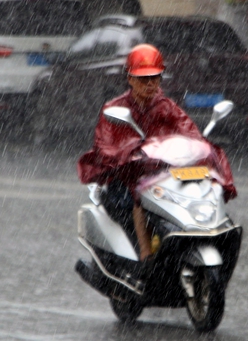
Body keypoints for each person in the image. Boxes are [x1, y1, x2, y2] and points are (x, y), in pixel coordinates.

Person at [77, 44, 236, 263]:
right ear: (130, 79)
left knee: (202, 188)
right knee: (137, 198)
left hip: (164, 175)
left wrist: (198, 148)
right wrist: (133, 155)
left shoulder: (167, 107)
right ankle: (145, 257)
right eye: (143, 79)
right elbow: (106, 148)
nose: (150, 84)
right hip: (126, 177)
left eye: (155, 78)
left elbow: (189, 133)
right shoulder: (115, 109)